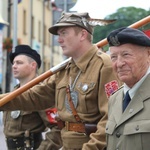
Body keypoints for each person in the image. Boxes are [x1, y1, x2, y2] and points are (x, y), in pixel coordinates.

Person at [0, 12, 121, 150]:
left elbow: (111, 120)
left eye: (64, 33)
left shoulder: (104, 66)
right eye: (59, 34)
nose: (59, 39)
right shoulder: (64, 70)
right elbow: (34, 96)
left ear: (82, 35)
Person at [3, 45, 62, 150]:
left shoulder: (40, 92)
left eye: (19, 63)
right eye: (14, 63)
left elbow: (58, 128)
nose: (14, 66)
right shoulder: (15, 91)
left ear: (33, 65)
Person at [105, 27, 150, 150]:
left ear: (148, 55)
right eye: (113, 57)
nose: (119, 63)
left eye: (126, 55)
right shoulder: (114, 99)